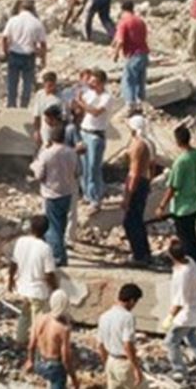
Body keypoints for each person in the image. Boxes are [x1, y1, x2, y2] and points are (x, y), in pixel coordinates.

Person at [163, 238, 196, 382]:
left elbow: (180, 302)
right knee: (191, 337)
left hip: (186, 314)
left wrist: (169, 317)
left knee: (171, 341)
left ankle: (179, 370)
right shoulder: (190, 262)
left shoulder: (182, 275)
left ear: (171, 256)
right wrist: (174, 243)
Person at [159, 126, 196, 280]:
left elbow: (173, 187)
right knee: (192, 239)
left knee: (186, 242)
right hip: (194, 203)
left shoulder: (181, 162)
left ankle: (191, 273)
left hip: (182, 207)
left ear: (178, 141)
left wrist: (161, 206)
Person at [7, 216, 59, 347]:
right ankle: (38, 346)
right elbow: (49, 274)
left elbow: (13, 263)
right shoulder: (45, 248)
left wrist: (10, 280)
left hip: (23, 287)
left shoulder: (21, 241)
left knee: (25, 315)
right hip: (38, 290)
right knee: (39, 319)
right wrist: (55, 289)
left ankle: (20, 339)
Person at [31, 128, 78, 266]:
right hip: (67, 193)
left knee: (52, 227)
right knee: (61, 225)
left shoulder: (46, 154)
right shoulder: (72, 153)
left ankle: (58, 257)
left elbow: (39, 175)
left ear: (51, 138)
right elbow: (77, 172)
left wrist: (34, 165)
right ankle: (60, 252)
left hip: (51, 194)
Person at [74, 70, 114, 209]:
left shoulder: (107, 97)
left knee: (93, 168)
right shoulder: (89, 94)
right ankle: (87, 195)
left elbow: (96, 112)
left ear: (102, 83)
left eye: (94, 82)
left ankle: (96, 199)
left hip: (96, 135)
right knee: (84, 167)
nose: (91, 84)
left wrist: (81, 103)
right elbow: (81, 108)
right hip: (84, 132)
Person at [25, 290, 79, 389]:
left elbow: (31, 345)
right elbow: (66, 358)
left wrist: (30, 360)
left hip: (40, 362)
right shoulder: (63, 329)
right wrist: (74, 378)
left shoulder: (39, 319)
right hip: (55, 368)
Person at [96, 283, 145, 389]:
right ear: (132, 300)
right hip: (123, 363)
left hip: (111, 361)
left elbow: (100, 345)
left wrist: (106, 363)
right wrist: (136, 368)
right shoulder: (127, 317)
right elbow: (127, 344)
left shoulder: (104, 316)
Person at [121, 116, 154, 267]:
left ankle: (139, 255)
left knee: (130, 222)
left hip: (137, 183)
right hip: (144, 182)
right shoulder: (149, 143)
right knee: (137, 220)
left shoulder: (138, 145)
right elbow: (152, 165)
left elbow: (134, 173)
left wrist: (127, 197)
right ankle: (144, 252)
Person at [2, 2, 48, 108]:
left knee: (12, 82)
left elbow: (4, 38)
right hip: (29, 56)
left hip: (14, 54)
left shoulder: (13, 20)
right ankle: (24, 106)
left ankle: (11, 104)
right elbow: (43, 43)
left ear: (20, 8)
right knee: (27, 83)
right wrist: (43, 59)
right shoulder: (37, 23)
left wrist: (5, 52)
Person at [112, 1, 150, 110]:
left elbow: (120, 41)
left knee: (128, 81)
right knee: (140, 81)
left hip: (133, 55)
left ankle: (130, 104)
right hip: (144, 54)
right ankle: (140, 103)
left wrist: (115, 54)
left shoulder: (124, 22)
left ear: (122, 10)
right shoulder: (140, 21)